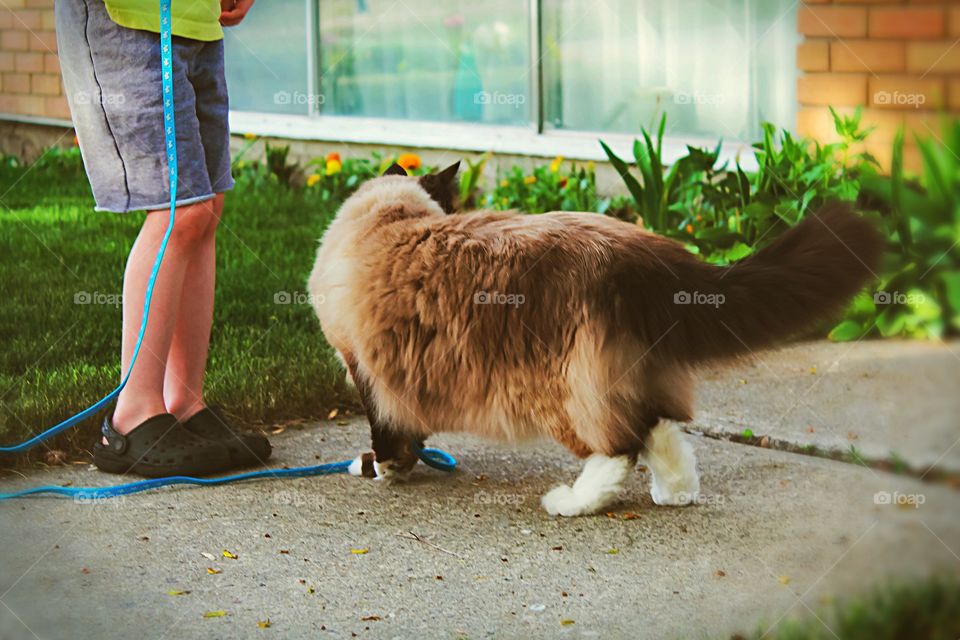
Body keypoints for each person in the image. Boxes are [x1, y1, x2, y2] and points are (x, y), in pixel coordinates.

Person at [55, 0, 270, 477]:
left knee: (206, 207)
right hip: (127, 20)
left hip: (195, 20)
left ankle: (184, 403)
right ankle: (131, 417)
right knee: (181, 210)